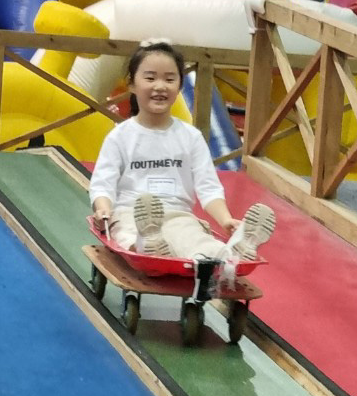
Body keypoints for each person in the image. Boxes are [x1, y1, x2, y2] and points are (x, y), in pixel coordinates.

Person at [89, 38, 275, 263]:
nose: (160, 86)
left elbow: (208, 187)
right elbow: (103, 183)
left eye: (169, 79)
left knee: (199, 242)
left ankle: (235, 250)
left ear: (179, 86)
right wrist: (103, 210)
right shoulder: (120, 136)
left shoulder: (190, 137)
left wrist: (226, 220)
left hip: (178, 215)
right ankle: (144, 244)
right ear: (132, 85)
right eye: (150, 78)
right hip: (130, 212)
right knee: (127, 233)